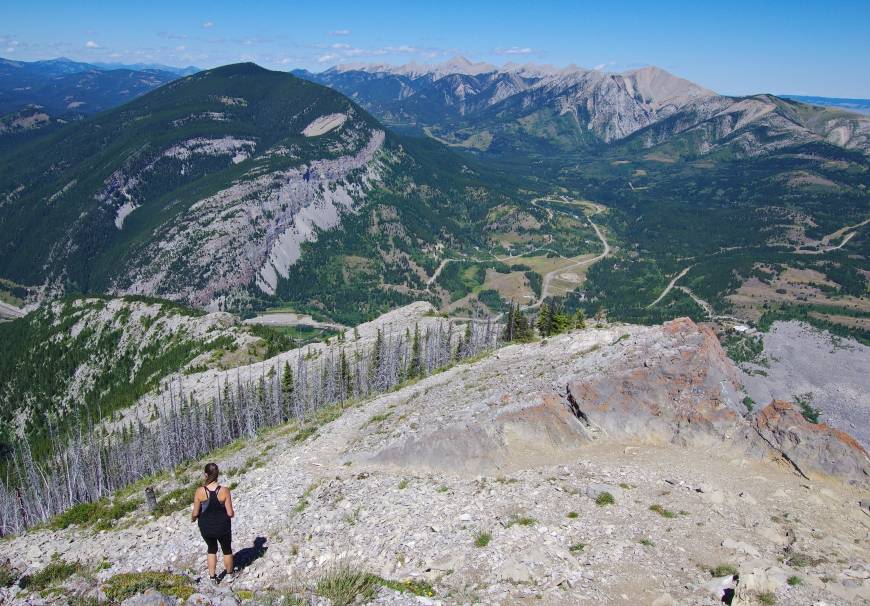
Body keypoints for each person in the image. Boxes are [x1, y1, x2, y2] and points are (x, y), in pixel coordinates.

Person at [191, 462, 234, 582]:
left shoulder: (200, 491)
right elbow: (230, 513)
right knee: (226, 549)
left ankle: (212, 576)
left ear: (206, 475)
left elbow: (195, 512)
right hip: (223, 525)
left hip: (206, 526)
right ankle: (230, 575)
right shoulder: (224, 490)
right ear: (217, 474)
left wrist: (193, 519)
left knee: (211, 548)